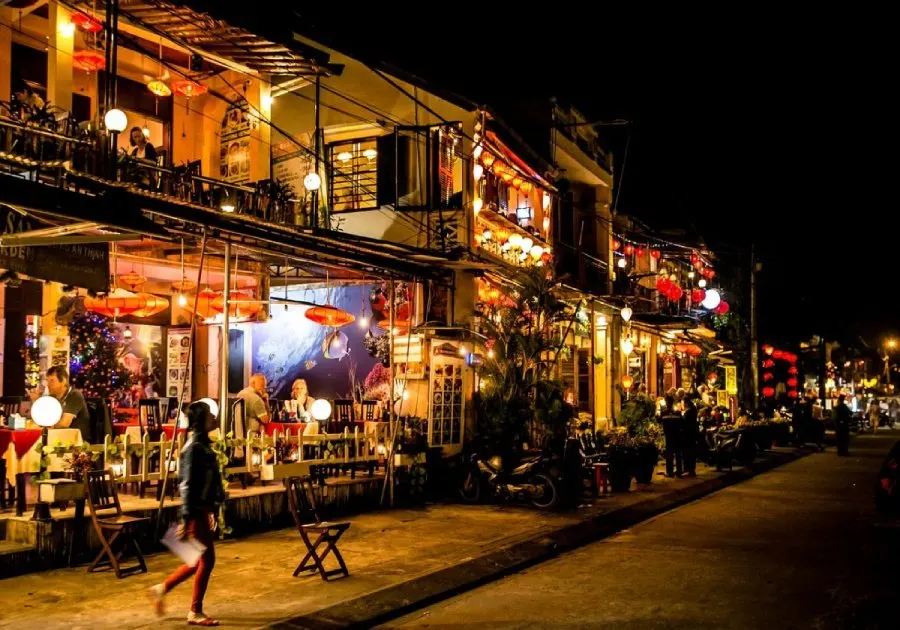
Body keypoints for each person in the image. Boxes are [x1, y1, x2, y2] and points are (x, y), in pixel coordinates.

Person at [150, 400, 224, 626]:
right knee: (206, 559)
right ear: (201, 420)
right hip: (194, 510)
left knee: (197, 560)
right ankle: (194, 611)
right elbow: (187, 485)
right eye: (210, 415)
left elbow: (208, 483)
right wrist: (186, 517)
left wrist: (212, 509)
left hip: (201, 509)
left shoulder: (202, 445)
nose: (214, 418)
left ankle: (162, 588)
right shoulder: (192, 448)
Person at [28, 366, 91, 443]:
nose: (48, 385)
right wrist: (35, 400)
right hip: (56, 437)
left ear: (63, 381)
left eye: (52, 381)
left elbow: (64, 424)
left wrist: (45, 425)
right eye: (47, 381)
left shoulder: (74, 395)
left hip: (74, 441)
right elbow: (42, 417)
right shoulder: (52, 397)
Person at [661, 395, 683, 478]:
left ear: (666, 403)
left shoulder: (664, 413)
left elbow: (661, 422)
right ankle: (679, 471)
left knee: (669, 454)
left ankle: (669, 472)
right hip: (677, 435)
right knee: (678, 453)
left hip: (668, 436)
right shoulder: (677, 412)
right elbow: (681, 423)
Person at [681, 398, 699, 477]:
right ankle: (691, 469)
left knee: (687, 452)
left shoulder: (688, 412)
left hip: (687, 434)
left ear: (686, 404)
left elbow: (684, 423)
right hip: (692, 434)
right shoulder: (693, 411)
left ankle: (688, 469)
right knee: (692, 451)